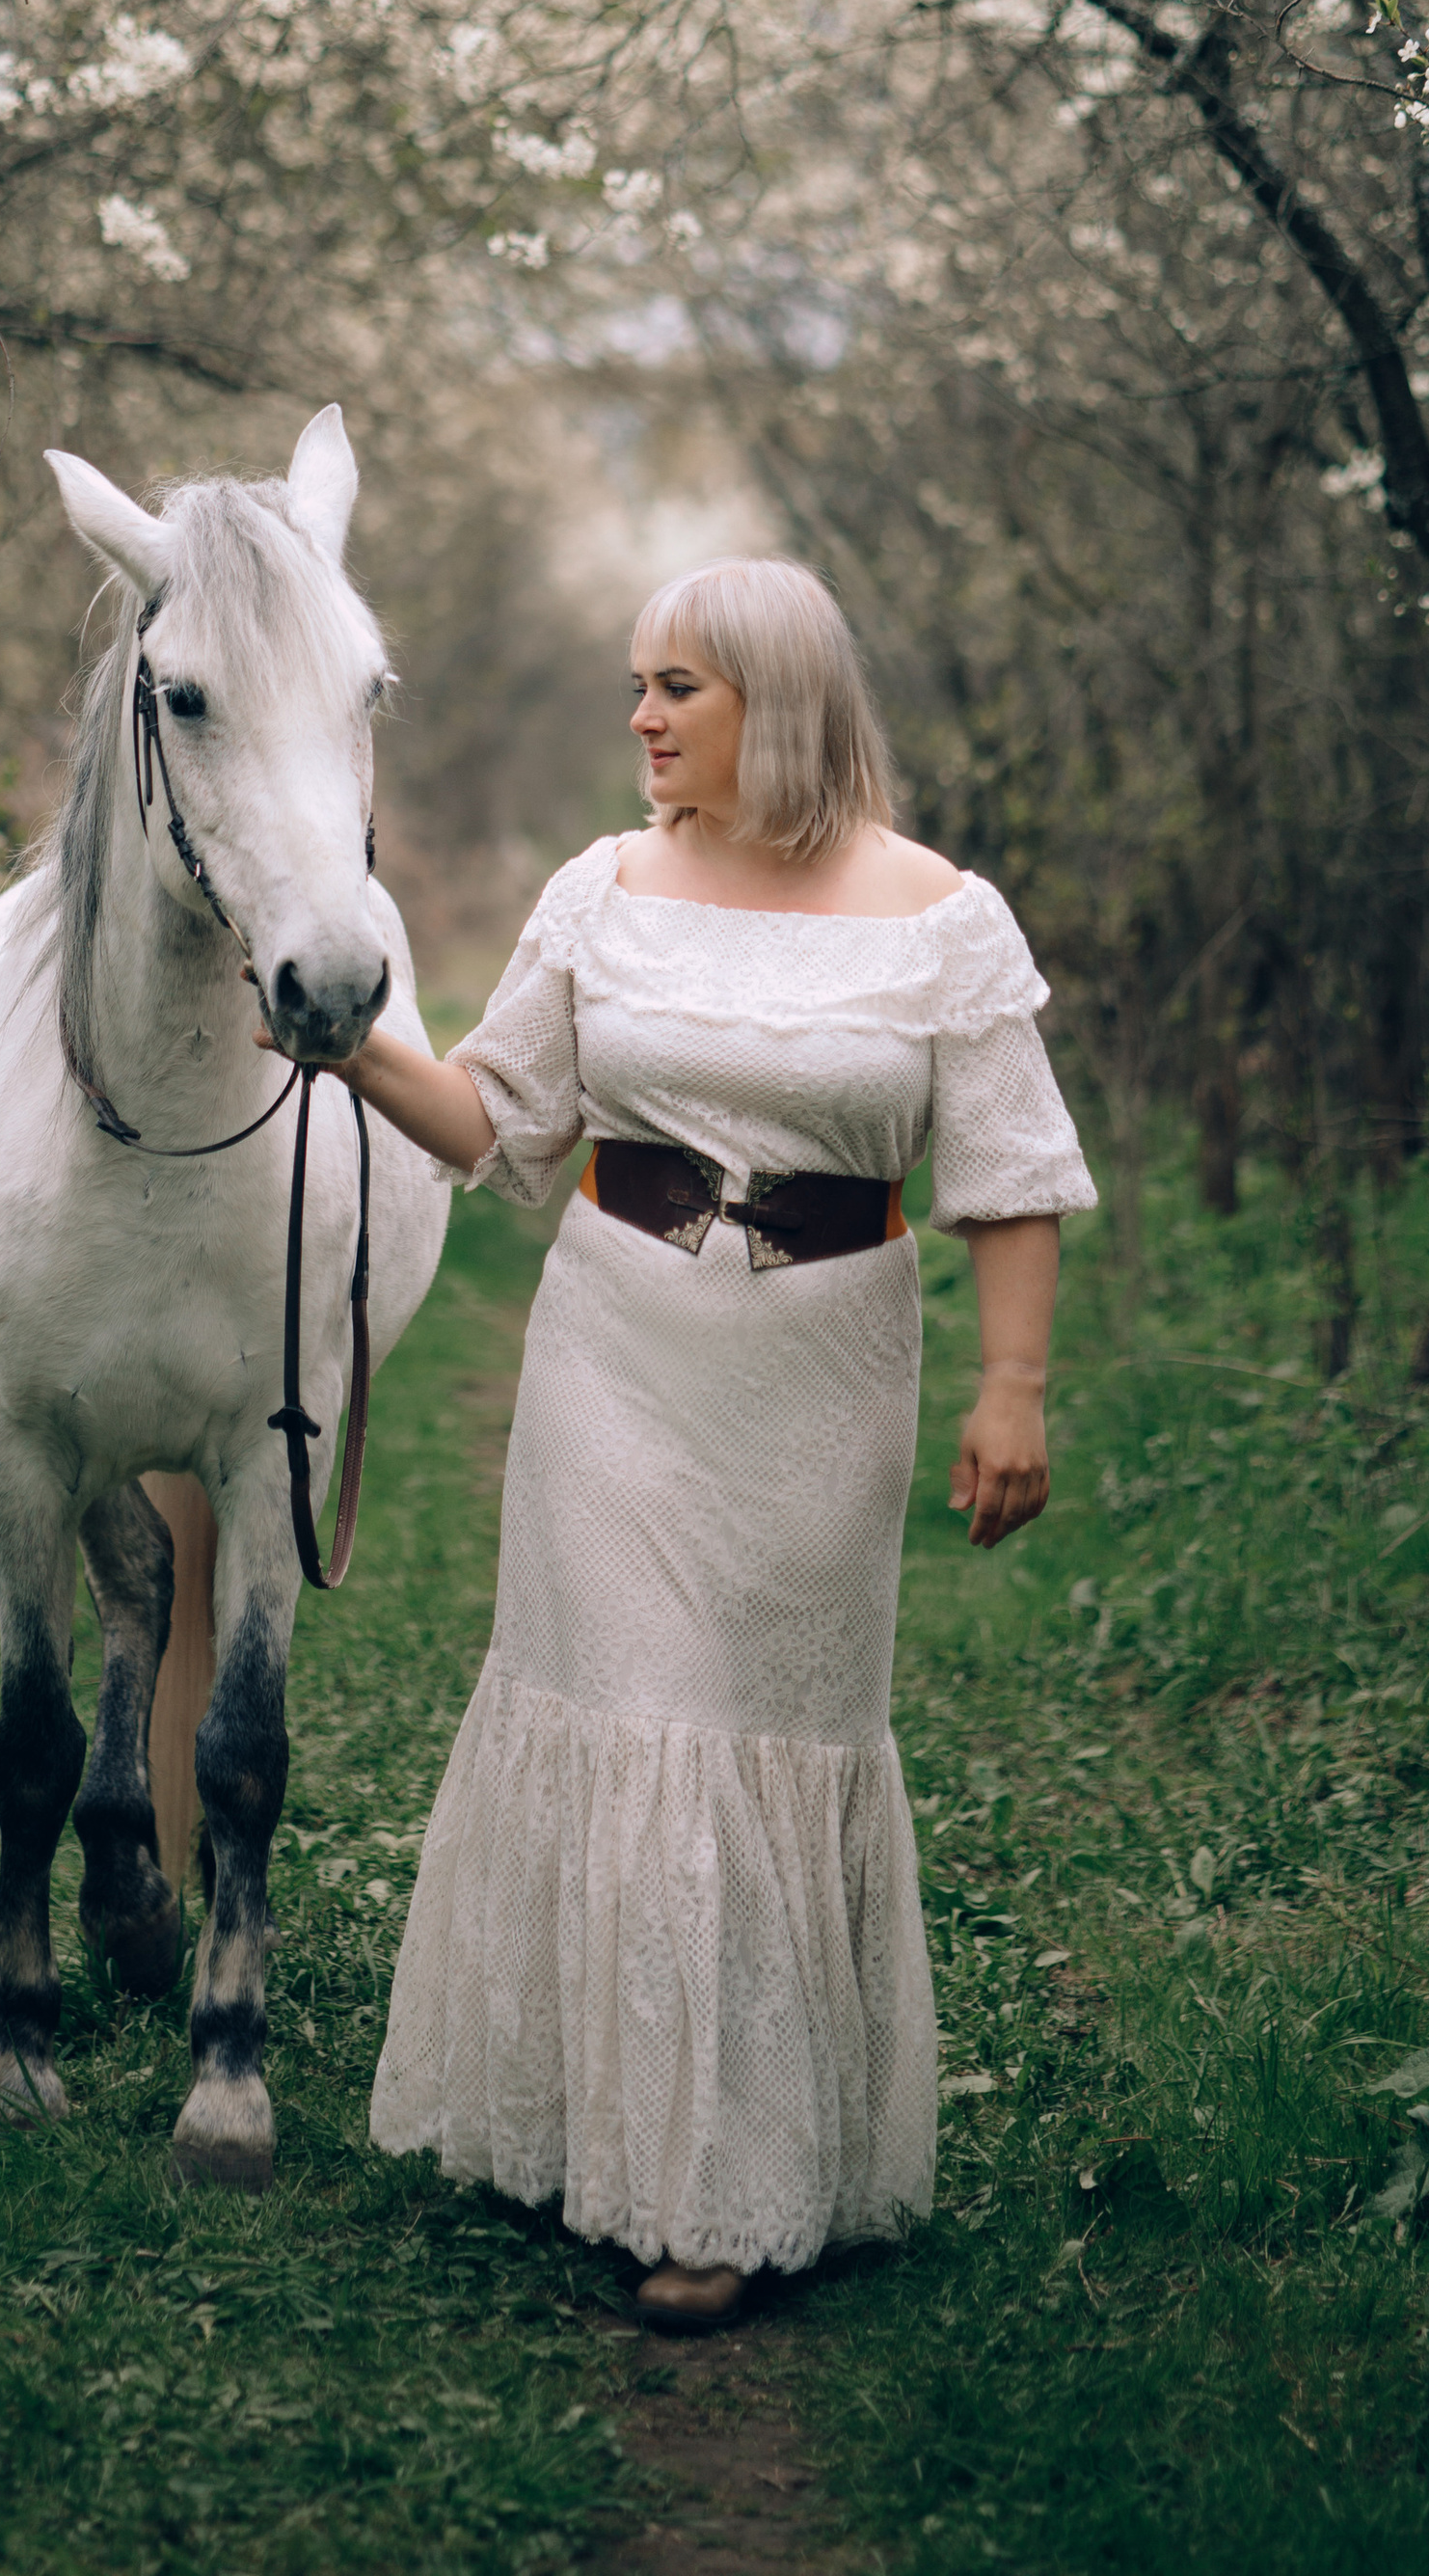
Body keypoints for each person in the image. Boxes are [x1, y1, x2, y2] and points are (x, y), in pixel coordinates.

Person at [317, 558, 1095, 2331]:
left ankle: (735, 2156)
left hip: (826, 1369)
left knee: (760, 1731)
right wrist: (352, 1045)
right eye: (636, 688)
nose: (646, 719)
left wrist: (1014, 1388)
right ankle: (668, 2178)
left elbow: (1011, 1174)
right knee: (634, 1703)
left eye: (681, 686)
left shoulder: (941, 920)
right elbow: (497, 1117)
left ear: (781, 698)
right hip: (617, 1353)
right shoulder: (603, 889)